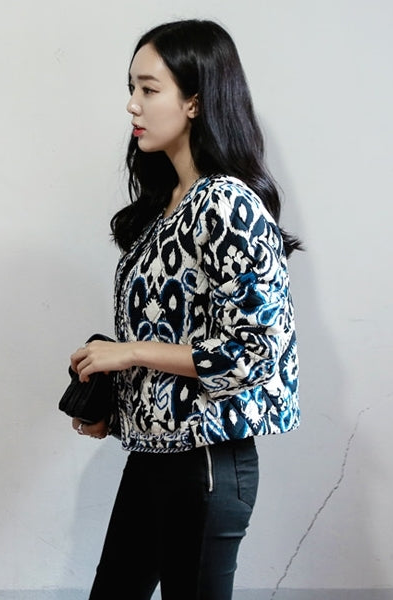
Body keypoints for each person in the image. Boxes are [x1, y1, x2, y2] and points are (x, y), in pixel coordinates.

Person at [69, 19, 301, 600]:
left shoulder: (225, 201)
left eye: (149, 89)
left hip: (207, 461)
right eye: (131, 88)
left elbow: (254, 351)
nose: (132, 104)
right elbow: (179, 333)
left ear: (195, 101)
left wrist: (129, 353)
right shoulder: (168, 206)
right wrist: (114, 393)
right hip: (153, 457)